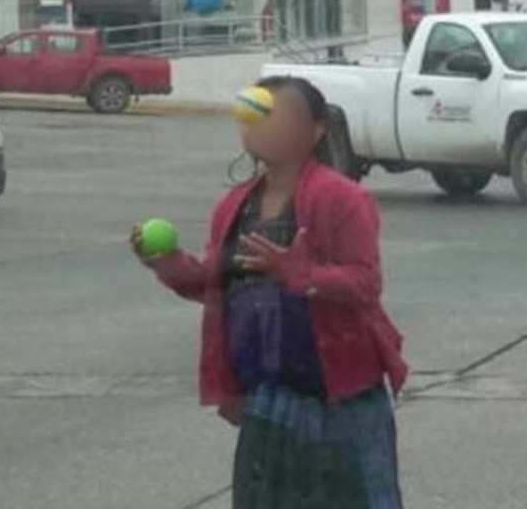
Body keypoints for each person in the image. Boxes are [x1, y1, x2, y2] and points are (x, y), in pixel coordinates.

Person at [131, 76, 408, 508]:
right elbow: (215, 286)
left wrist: (301, 274)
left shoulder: (341, 198)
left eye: (281, 117)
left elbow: (366, 283)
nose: (264, 126)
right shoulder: (236, 204)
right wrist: (166, 263)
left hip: (338, 396)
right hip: (270, 397)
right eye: (257, 115)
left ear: (316, 130)